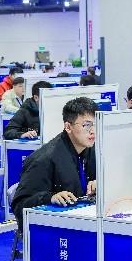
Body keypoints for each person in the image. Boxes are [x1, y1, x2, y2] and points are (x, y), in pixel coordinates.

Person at [10, 97, 98, 228]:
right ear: (68, 127)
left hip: (85, 222)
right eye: (87, 125)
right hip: (56, 229)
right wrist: (50, 198)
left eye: (95, 124)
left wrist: (101, 185)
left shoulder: (93, 149)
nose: (93, 131)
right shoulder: (43, 159)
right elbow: (19, 205)